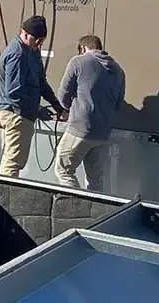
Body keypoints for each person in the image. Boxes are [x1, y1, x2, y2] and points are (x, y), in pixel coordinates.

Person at [0, 15, 66, 179]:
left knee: (14, 162)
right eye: (37, 40)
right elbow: (14, 92)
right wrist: (38, 109)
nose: (39, 44)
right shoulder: (17, 54)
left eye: (42, 41)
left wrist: (56, 103)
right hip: (16, 114)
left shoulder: (32, 52)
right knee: (12, 164)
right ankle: (4, 198)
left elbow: (41, 82)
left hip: (23, 114)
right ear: (25, 33)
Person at [54, 34, 126, 193]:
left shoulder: (78, 61)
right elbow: (119, 103)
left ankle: (75, 208)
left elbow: (63, 95)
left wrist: (67, 109)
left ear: (83, 48)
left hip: (80, 128)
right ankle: (94, 211)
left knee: (64, 170)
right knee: (95, 177)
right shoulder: (119, 70)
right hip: (103, 133)